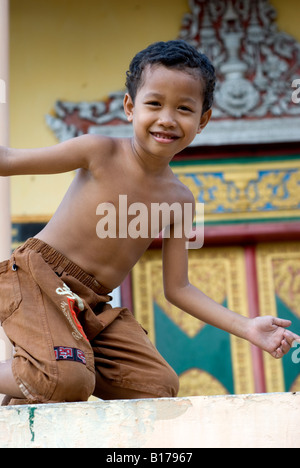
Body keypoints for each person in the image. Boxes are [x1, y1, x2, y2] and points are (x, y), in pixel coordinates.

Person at [0, 40, 298, 406]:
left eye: (184, 108)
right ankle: (46, 375)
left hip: (91, 305)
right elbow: (9, 160)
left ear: (202, 120)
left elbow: (179, 288)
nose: (167, 118)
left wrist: (248, 327)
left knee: (156, 386)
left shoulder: (181, 201)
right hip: (36, 278)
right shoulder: (98, 152)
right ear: (130, 107)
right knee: (66, 379)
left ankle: (34, 385)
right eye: (154, 103)